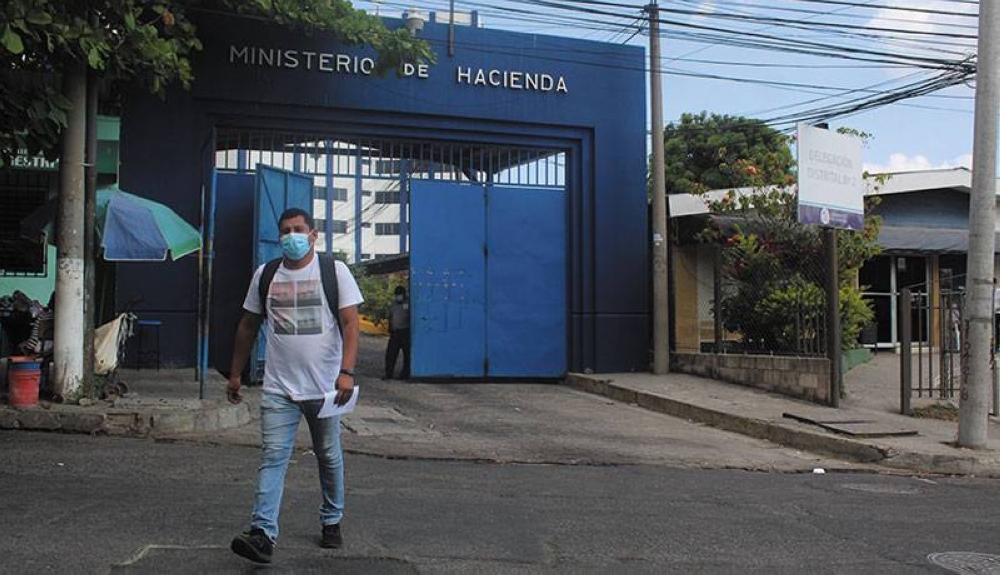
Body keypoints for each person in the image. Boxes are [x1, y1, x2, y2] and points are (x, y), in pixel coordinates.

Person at [226, 207, 363, 564]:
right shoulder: (266, 275)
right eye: (285, 231)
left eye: (298, 229)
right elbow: (247, 325)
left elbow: (351, 324)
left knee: (328, 455)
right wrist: (235, 374)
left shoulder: (334, 271)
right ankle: (262, 534)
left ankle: (331, 519)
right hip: (279, 389)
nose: (292, 236)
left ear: (313, 234)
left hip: (325, 388)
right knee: (273, 457)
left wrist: (347, 371)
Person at [383, 285, 410, 380]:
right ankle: (388, 374)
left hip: (405, 332)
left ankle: (404, 375)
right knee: (390, 354)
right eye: (396, 295)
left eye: (399, 295)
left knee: (407, 355)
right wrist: (390, 327)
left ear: (404, 294)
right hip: (395, 332)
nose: (398, 297)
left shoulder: (409, 303)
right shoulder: (393, 304)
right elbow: (390, 316)